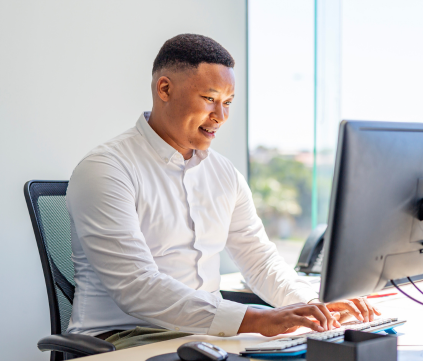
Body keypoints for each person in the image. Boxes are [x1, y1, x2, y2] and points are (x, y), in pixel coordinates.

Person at [65, 34, 380, 349]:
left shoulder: (224, 174)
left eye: (227, 102)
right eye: (209, 98)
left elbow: (259, 260)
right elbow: (137, 288)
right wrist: (262, 320)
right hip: (124, 339)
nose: (221, 115)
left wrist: (314, 305)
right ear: (164, 89)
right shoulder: (106, 169)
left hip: (202, 339)